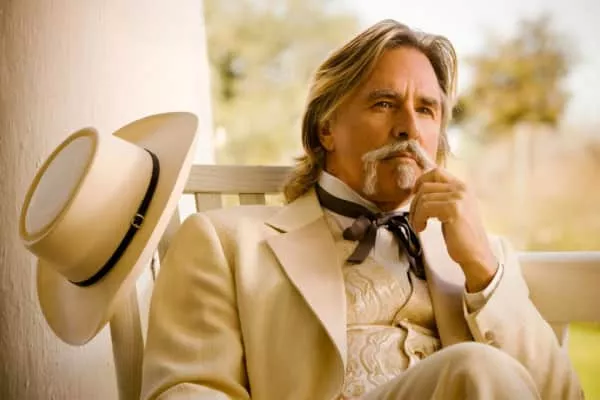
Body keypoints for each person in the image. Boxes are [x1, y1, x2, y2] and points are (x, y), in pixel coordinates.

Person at [141, 20, 582, 400]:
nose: (409, 127)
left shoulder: (480, 257)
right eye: (384, 103)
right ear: (326, 127)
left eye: (426, 110)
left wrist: (482, 268)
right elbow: (191, 391)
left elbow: (561, 394)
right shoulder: (223, 242)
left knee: (477, 369)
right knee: (473, 367)